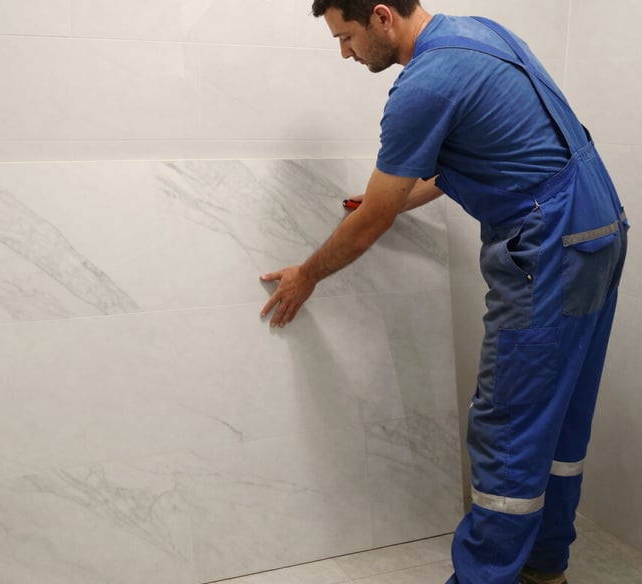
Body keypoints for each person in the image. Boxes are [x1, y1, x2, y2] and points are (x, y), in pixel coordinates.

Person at [259, 2, 628, 583]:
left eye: (347, 36)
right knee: (558, 415)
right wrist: (386, 196)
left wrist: (308, 272)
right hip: (598, 230)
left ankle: (484, 576)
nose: (344, 52)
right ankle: (543, 564)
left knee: (508, 424)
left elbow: (373, 221)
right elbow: (468, 161)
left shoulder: (422, 85)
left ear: (381, 17)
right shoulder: (477, 33)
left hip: (552, 246)